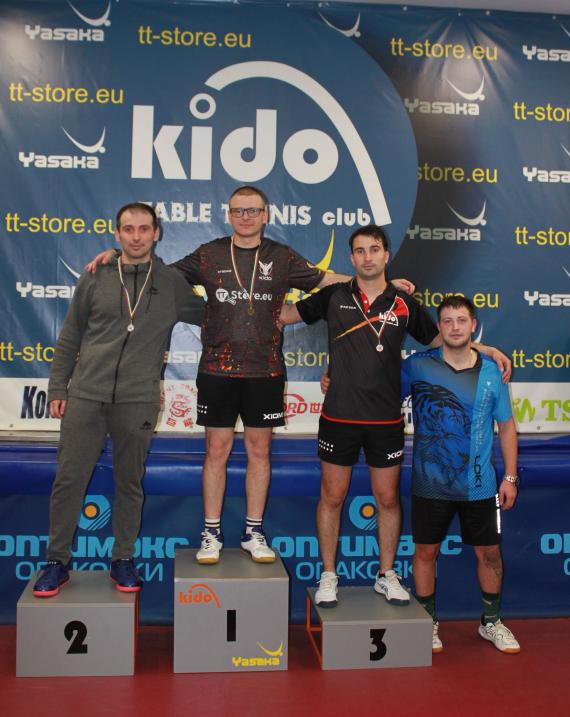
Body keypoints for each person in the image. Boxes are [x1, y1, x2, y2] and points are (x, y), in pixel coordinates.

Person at [281, 225, 510, 609]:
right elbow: (286, 315)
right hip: (339, 416)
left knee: (388, 499)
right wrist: (248, 300)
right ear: (351, 258)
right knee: (332, 497)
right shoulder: (334, 295)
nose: (367, 257)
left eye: (374, 249)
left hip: (385, 420)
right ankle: (328, 575)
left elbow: (441, 340)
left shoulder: (403, 302)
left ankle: (386, 574)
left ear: (386, 255)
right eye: (359, 251)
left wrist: (484, 348)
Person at [33, 203, 204, 597]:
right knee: (69, 480)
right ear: (117, 233)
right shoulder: (96, 275)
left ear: (157, 233)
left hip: (138, 399)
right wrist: (58, 388)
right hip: (85, 395)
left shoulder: (171, 282)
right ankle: (56, 561)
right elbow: (70, 336)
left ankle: (122, 558)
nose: (136, 236)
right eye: (128, 229)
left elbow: (215, 318)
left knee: (129, 482)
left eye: (144, 229)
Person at [402, 295, 520, 654]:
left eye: (462, 320)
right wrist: (334, 380)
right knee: (425, 552)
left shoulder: (492, 371)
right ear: (439, 327)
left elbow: (507, 426)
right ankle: (427, 622)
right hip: (430, 483)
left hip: (480, 486)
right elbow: (376, 389)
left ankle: (491, 622)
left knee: (490, 554)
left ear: (473, 325)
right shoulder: (417, 366)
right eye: (448, 321)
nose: (455, 327)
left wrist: (510, 477)